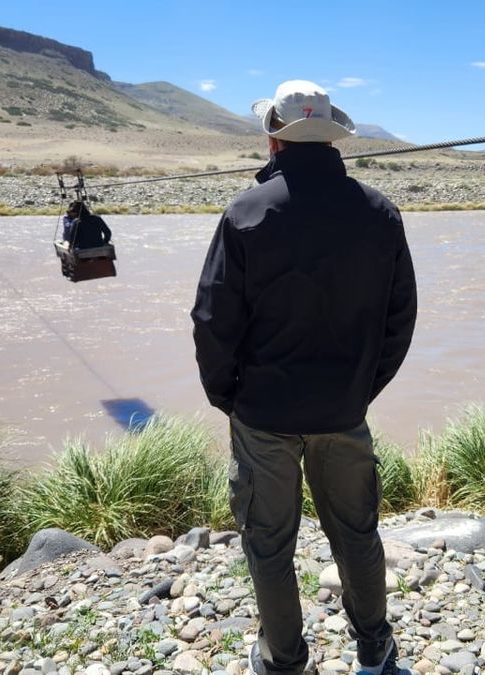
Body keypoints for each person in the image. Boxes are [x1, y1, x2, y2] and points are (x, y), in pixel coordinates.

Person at [191, 80, 417, 675]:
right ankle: (375, 650)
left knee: (269, 544)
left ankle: (285, 661)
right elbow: (401, 319)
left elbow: (213, 319)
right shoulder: (379, 212)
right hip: (344, 412)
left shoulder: (245, 212)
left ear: (273, 138)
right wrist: (360, 390)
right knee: (357, 535)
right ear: (333, 136)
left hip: (263, 414)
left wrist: (229, 398)